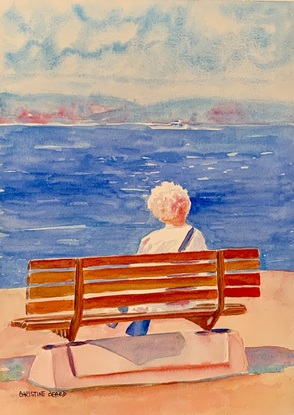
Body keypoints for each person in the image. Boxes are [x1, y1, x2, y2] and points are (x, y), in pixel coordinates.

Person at [111, 181, 207, 336]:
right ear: (185, 207)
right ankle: (132, 314)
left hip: (157, 301)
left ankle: (127, 312)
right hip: (186, 300)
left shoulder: (149, 239)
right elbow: (203, 272)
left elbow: (137, 276)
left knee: (142, 290)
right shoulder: (195, 235)